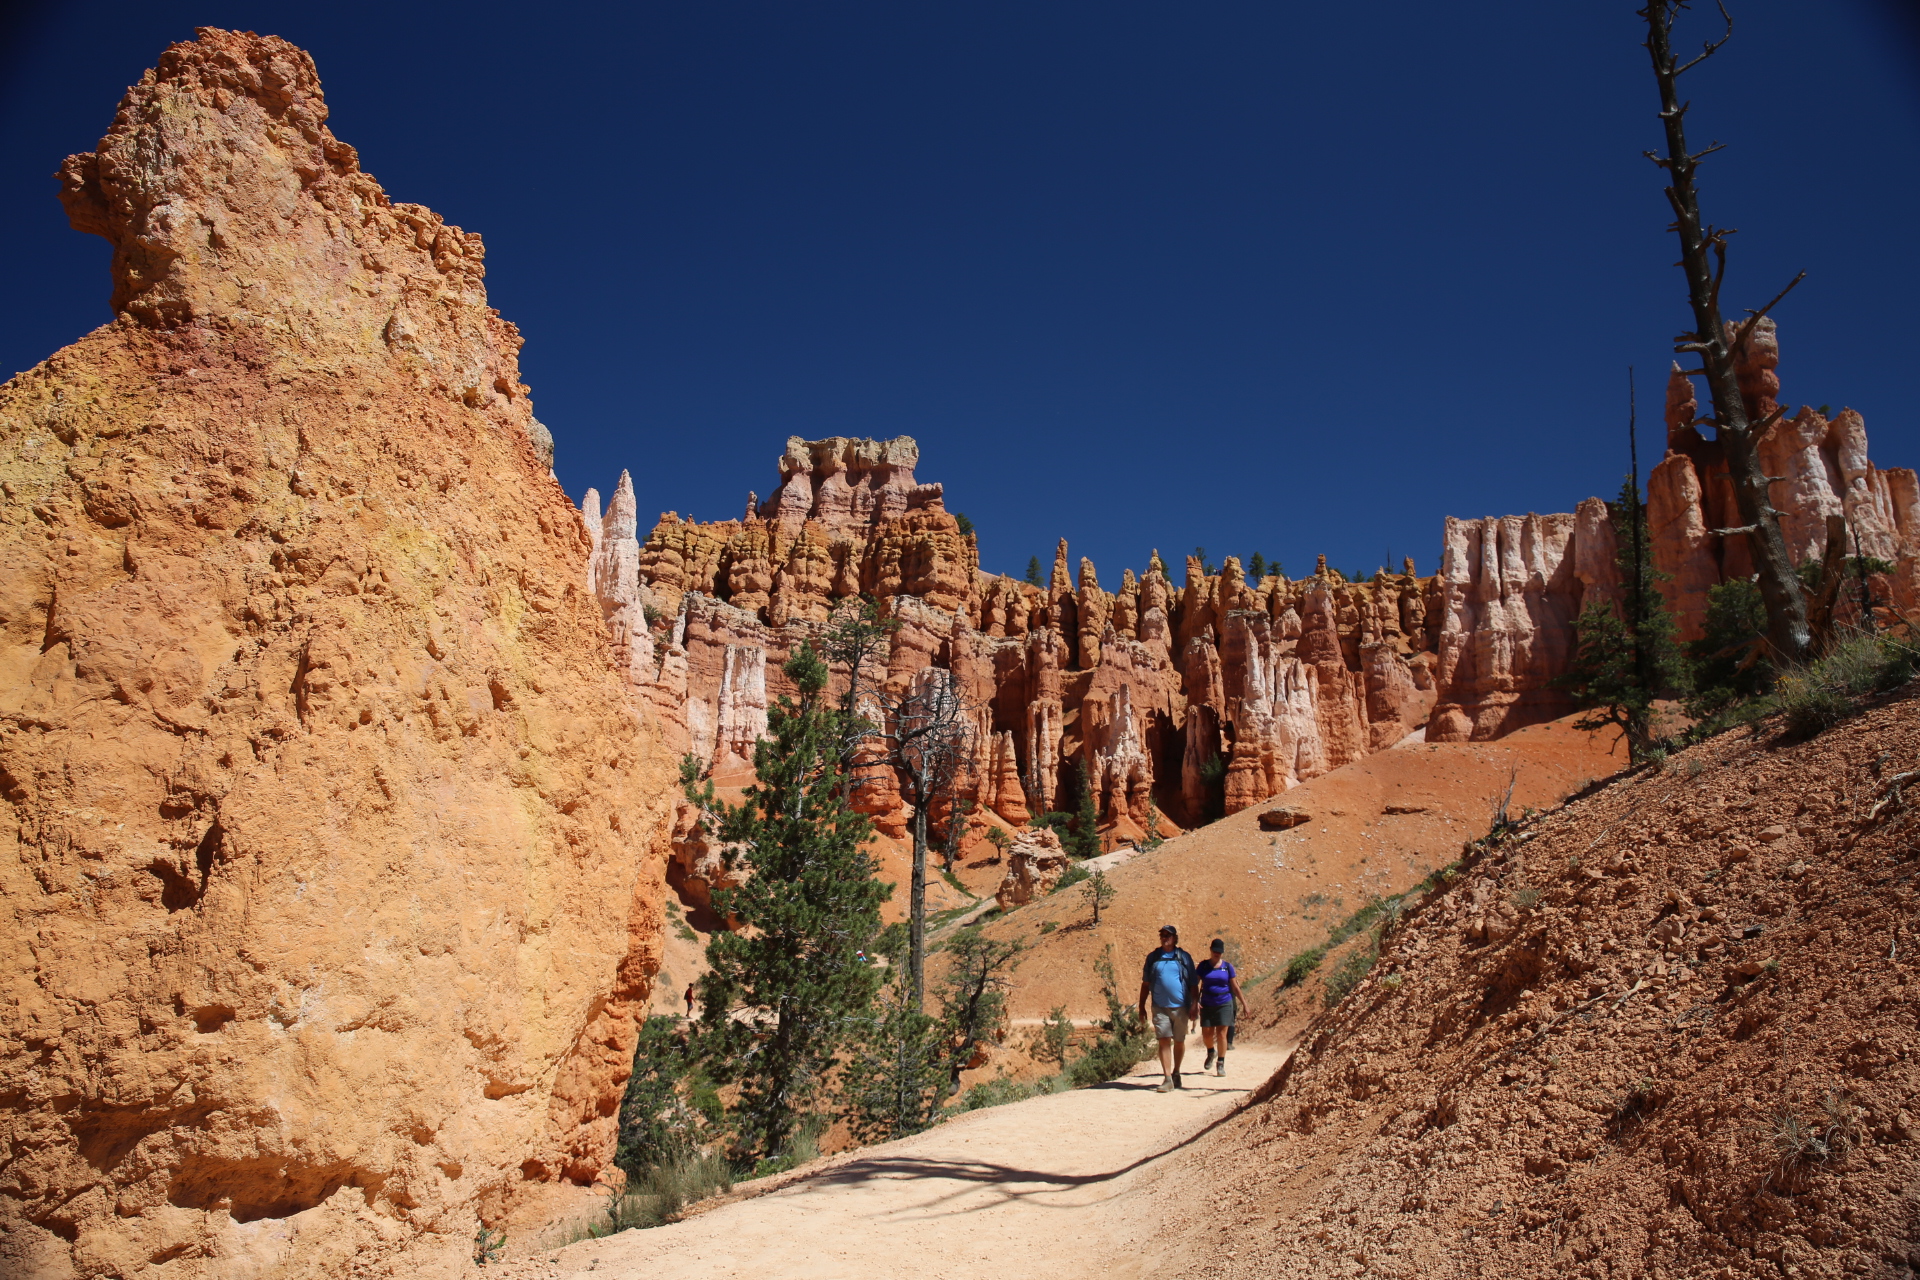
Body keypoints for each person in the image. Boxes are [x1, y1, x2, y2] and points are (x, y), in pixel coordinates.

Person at [1137, 924, 1197, 1092]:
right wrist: (1141, 1006)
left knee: (1179, 1041)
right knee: (1163, 1040)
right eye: (1162, 935)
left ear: (1174, 938)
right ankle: (1167, 1078)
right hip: (1159, 1007)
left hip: (1181, 1007)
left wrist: (1194, 1004)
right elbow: (1145, 984)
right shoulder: (1153, 958)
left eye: (1168, 935)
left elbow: (1193, 983)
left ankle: (1176, 1071)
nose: (1165, 938)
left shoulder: (1184, 957)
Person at [1195, 938, 1245, 1076]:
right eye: (1215, 951)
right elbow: (1194, 984)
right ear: (1211, 950)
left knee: (1222, 1034)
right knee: (1207, 1034)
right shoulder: (1203, 966)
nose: (1217, 954)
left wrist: (1244, 1004)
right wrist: (1193, 1000)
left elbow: (1235, 987)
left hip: (1224, 1002)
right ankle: (1211, 1052)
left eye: (1220, 952)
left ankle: (1221, 1063)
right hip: (1207, 1003)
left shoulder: (1227, 967)